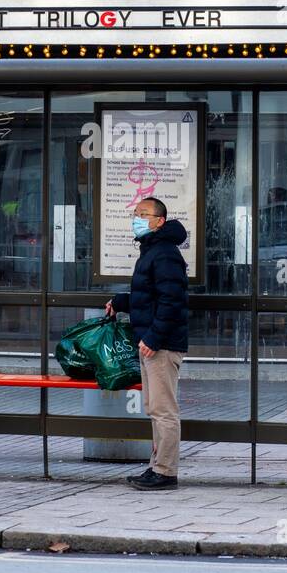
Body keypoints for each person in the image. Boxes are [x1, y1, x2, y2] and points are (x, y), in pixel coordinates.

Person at [105, 196, 189, 491]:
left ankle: (166, 472)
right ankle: (157, 467)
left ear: (159, 221)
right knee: (155, 407)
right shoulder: (153, 251)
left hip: (161, 344)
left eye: (143, 214)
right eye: (135, 213)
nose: (137, 218)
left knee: (164, 409)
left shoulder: (164, 253)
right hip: (153, 341)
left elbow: (172, 300)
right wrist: (121, 301)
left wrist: (154, 337)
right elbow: (151, 296)